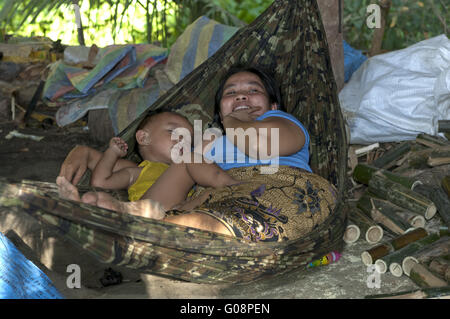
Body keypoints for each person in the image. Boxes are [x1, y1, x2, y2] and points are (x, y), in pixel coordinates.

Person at [59, 66, 338, 241]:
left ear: (273, 104)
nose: (241, 96)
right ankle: (130, 215)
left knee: (208, 221)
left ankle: (166, 229)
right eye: (232, 93)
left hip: (280, 186)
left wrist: (232, 119)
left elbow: (259, 146)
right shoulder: (208, 144)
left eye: (253, 91)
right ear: (218, 111)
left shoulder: (284, 122)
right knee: (186, 165)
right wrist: (87, 154)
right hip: (218, 194)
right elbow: (149, 167)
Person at [57, 111, 239, 218]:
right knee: (190, 161)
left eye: (188, 139)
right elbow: (100, 182)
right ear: (144, 137)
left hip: (180, 216)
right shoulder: (137, 170)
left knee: (208, 193)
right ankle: (236, 187)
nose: (183, 140)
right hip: (148, 213)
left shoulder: (184, 171)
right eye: (174, 132)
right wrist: (112, 152)